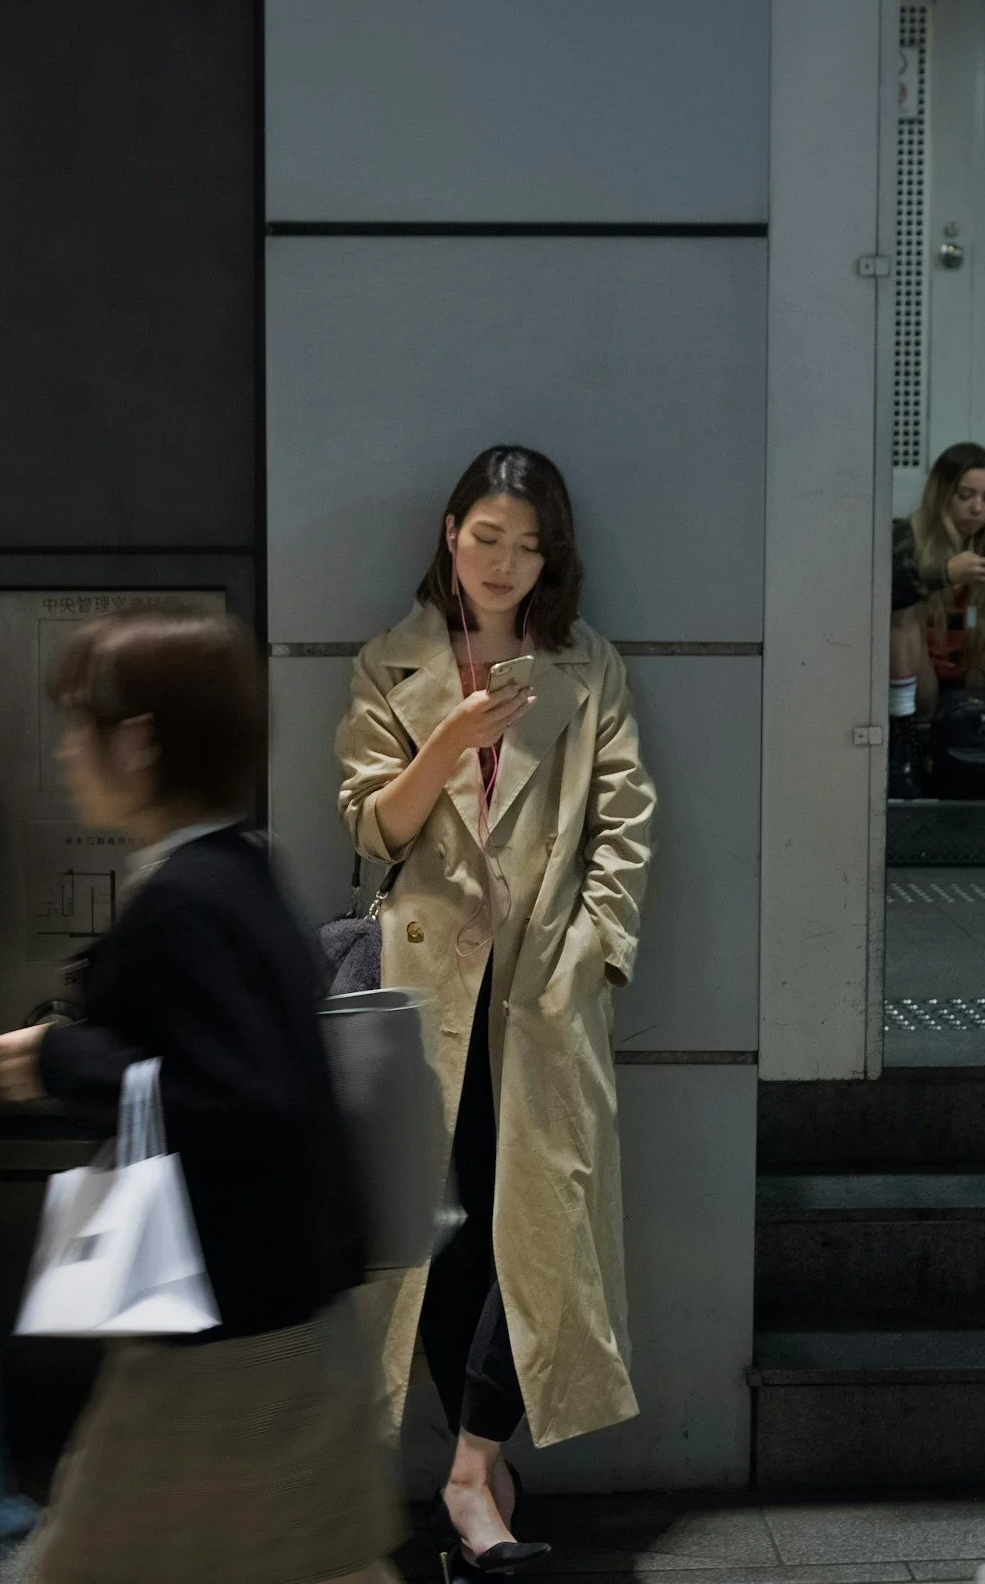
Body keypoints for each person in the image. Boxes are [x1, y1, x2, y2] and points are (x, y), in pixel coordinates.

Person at [0, 608, 395, 1584]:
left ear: (139, 738)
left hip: (217, 1347)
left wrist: (56, 1057)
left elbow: (234, 1102)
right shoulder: (244, 866)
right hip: (291, 1316)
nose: (64, 748)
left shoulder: (181, 900)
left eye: (80, 723)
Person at [334, 444, 655, 1572]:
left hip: (539, 992)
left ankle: (469, 1468)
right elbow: (370, 828)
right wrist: (444, 743)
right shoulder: (393, 662)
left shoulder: (585, 666)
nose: (506, 561)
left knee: (542, 1230)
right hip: (424, 996)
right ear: (449, 531)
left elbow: (624, 830)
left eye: (527, 543)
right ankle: (481, 1476)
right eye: (487, 536)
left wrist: (590, 957)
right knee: (434, 1239)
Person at [890, 442, 985, 795]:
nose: (977, 508)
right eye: (965, 495)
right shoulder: (907, 535)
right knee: (903, 607)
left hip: (977, 674)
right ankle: (903, 733)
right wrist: (946, 574)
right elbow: (882, 595)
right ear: (942, 493)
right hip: (924, 678)